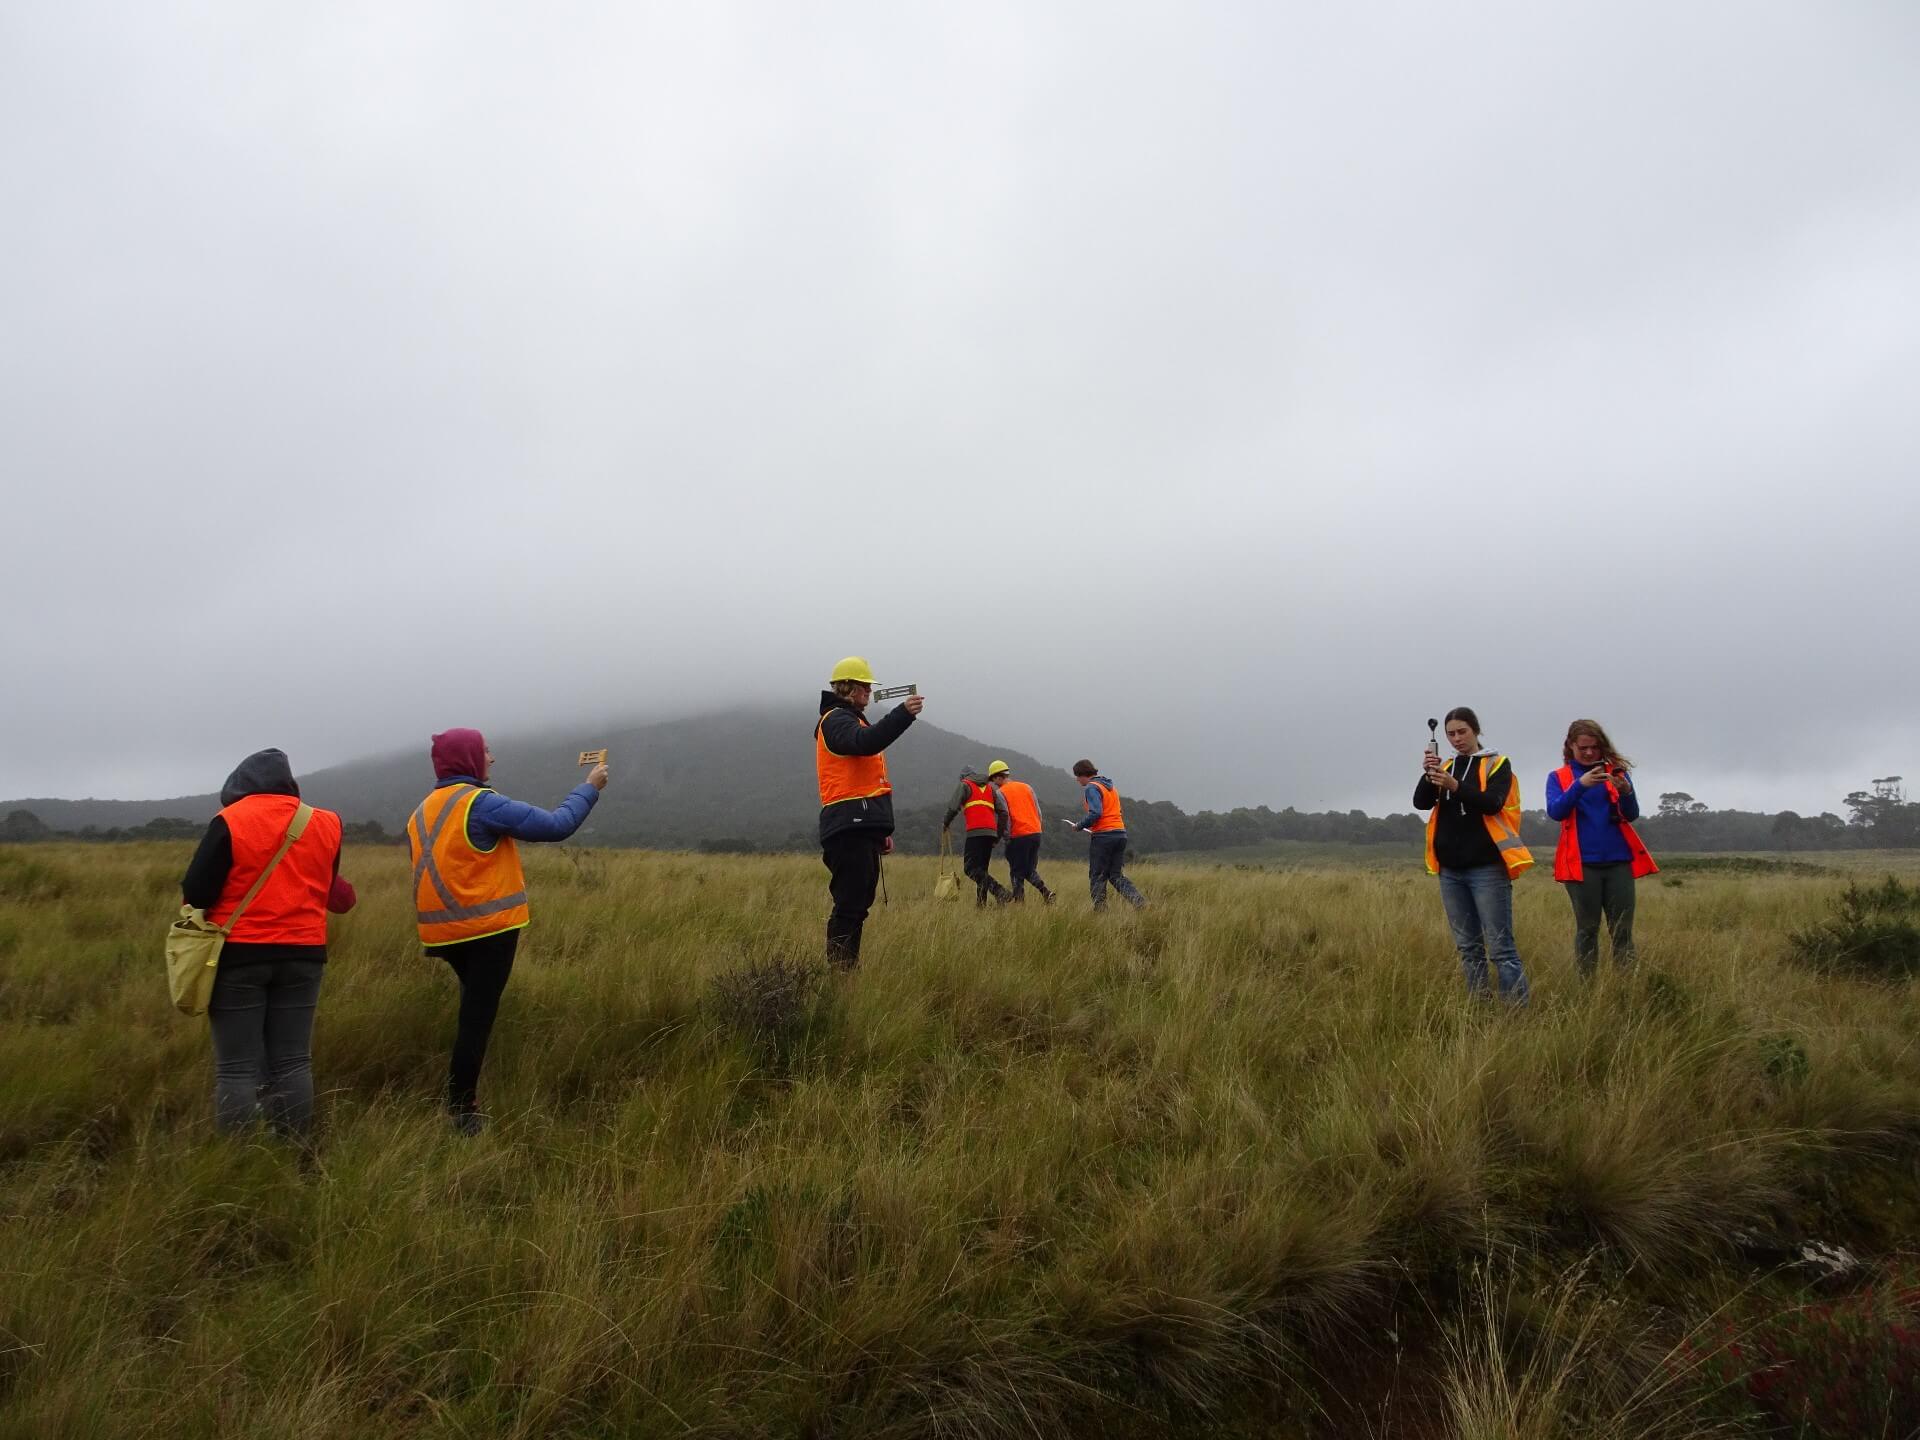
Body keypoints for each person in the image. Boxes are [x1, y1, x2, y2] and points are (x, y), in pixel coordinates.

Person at [408, 728, 607, 1135]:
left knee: (473, 1010)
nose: (492, 758)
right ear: (468, 758)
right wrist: (589, 788)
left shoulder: (422, 811)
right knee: (476, 1019)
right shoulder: (480, 804)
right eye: (485, 751)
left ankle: (465, 1091)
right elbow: (556, 825)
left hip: (442, 935)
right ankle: (463, 1111)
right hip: (486, 932)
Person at [180, 748, 355, 1138]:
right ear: (289, 783)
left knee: (237, 1068)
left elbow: (198, 891)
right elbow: (327, 885)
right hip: (306, 954)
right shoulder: (327, 822)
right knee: (294, 1062)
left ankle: (242, 1162)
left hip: (239, 955)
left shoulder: (229, 820)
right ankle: (293, 1147)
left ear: (239, 785)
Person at [1414, 707, 1533, 1004]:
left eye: (1462, 732)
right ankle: (1480, 1007)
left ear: (1476, 730)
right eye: (1450, 734)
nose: (1457, 739)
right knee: (1468, 947)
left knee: (1501, 948)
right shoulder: (1448, 766)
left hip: (1487, 868)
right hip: (1451, 870)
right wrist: (1428, 774)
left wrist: (1455, 786)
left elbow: (1492, 803)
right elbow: (1420, 802)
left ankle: (1516, 1012)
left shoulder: (1498, 764)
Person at [816, 656, 922, 967]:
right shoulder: (835, 719)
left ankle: (846, 970)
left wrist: (880, 832)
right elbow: (866, 743)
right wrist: (902, 714)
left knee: (859, 903)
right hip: (847, 825)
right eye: (864, 686)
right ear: (848, 687)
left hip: (859, 826)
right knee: (850, 905)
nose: (868, 692)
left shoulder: (848, 719)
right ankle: (841, 974)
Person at [1545, 719, 1657, 976]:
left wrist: (1627, 791)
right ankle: (1588, 991)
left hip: (1618, 862)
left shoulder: (1616, 773)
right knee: (1587, 930)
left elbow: (1631, 814)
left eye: (1594, 747)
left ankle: (1626, 988)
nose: (1588, 753)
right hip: (1582, 866)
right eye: (1583, 747)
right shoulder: (1559, 777)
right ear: (1570, 746)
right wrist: (1581, 785)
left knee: (1622, 931)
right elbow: (1556, 811)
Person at [1066, 760, 1147, 911]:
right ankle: (1139, 903)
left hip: (1104, 836)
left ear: (1084, 774)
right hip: (1120, 834)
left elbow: (1096, 812)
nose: (1077, 779)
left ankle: (1101, 912)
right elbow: (1118, 812)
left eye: (1077, 776)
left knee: (1097, 875)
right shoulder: (1111, 788)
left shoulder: (1091, 788)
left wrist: (1079, 825)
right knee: (1116, 875)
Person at [942, 766, 1013, 907]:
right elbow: (1004, 813)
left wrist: (946, 822)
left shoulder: (965, 785)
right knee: (982, 871)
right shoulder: (990, 788)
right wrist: (997, 836)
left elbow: (953, 806)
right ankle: (981, 906)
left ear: (964, 777)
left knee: (970, 869)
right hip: (990, 833)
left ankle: (999, 891)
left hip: (976, 832)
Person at [988, 759, 1055, 904]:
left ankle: (1031, 898)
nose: (993, 783)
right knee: (1026, 868)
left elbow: (1005, 817)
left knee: (1018, 870)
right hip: (1036, 833)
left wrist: (1006, 837)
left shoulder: (1000, 793)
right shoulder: (1027, 787)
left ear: (998, 776)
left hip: (1018, 835)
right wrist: (1037, 828)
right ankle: (1037, 896)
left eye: (993, 779)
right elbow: (1038, 812)